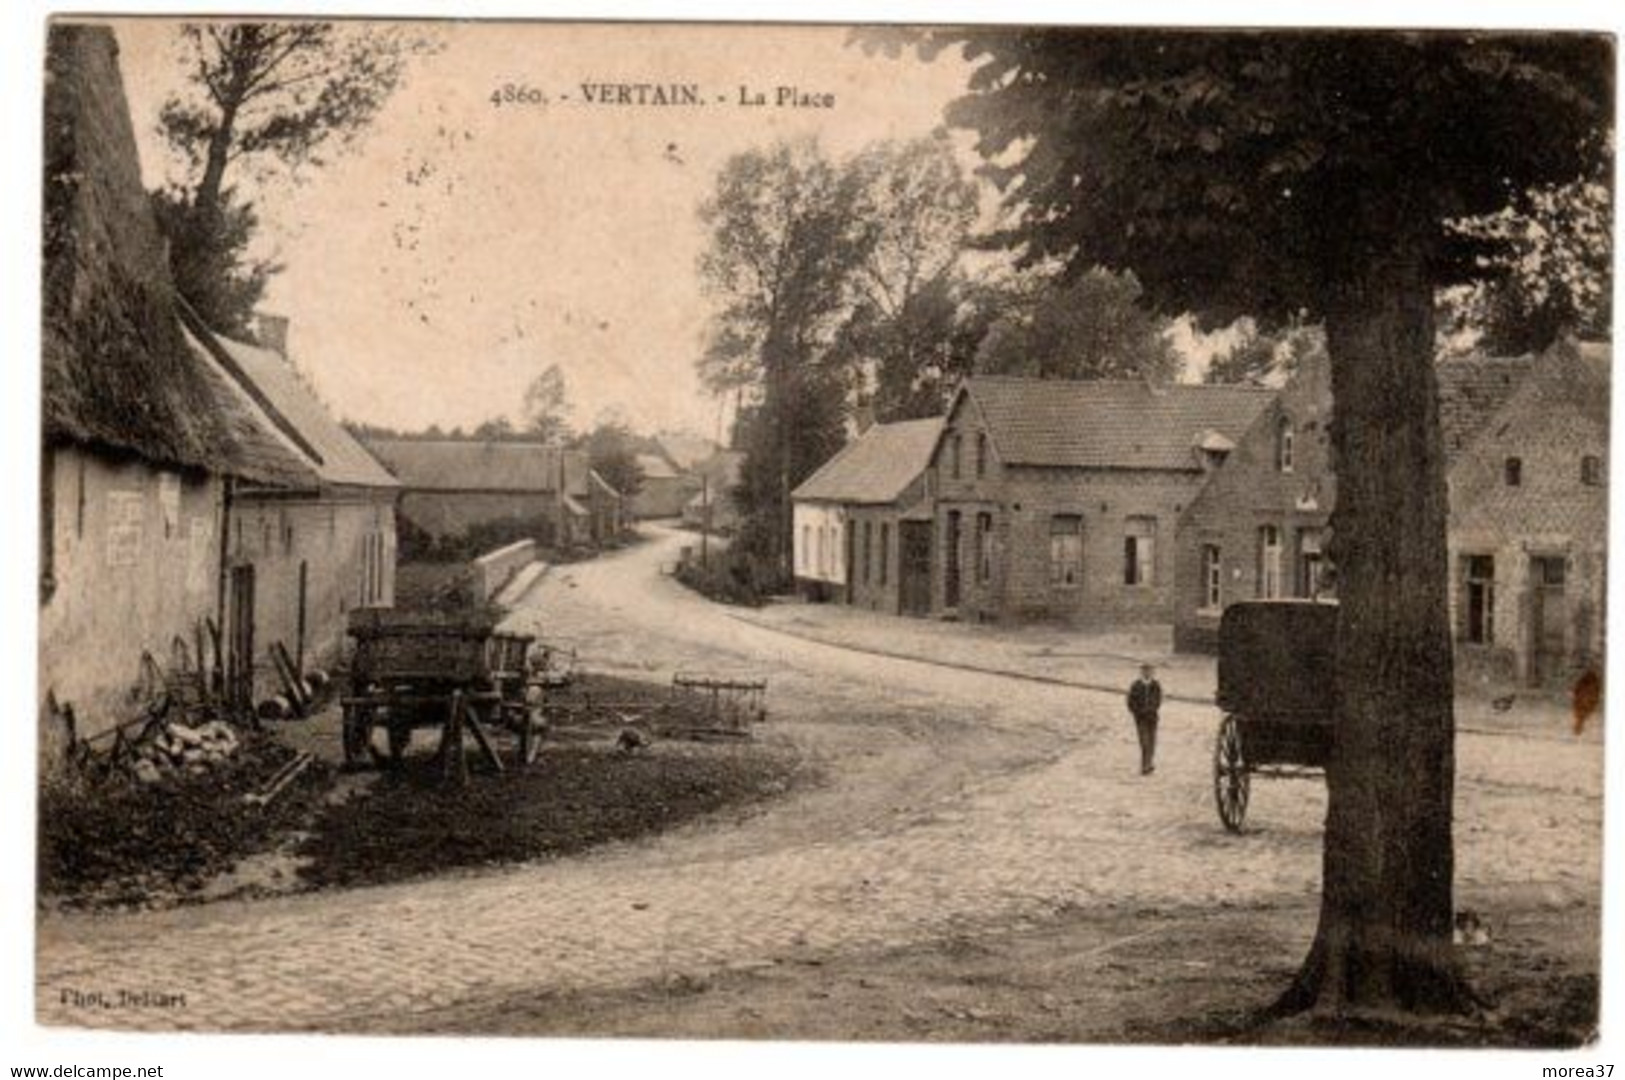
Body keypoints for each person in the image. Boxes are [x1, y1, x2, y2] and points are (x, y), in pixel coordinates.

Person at [1127, 663, 1162, 775]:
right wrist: (1138, 712)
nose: (1147, 673)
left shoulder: (1156, 685)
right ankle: (1145, 765)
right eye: (1145, 671)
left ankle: (1148, 763)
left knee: (1152, 741)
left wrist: (1152, 709)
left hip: (1152, 718)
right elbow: (1130, 702)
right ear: (1141, 672)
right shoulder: (1136, 685)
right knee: (1144, 741)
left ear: (1152, 673)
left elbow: (1158, 700)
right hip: (1140, 718)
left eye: (1150, 671)